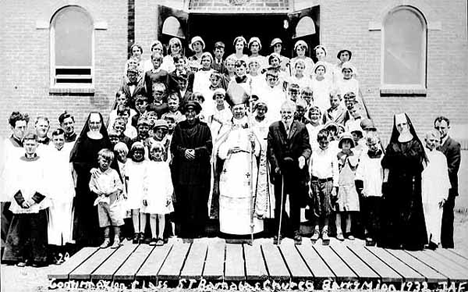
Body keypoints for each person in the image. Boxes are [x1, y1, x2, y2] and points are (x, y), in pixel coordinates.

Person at [215, 84, 264, 236]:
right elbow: (219, 148)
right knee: (231, 194)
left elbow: (259, 150)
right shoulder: (226, 126)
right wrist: (227, 150)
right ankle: (230, 229)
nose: (238, 111)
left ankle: (249, 229)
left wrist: (254, 143)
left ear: (245, 109)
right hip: (231, 165)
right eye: (236, 109)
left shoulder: (252, 126)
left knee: (247, 195)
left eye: (241, 108)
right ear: (231, 110)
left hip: (246, 164)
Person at [381, 113, 427, 250]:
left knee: (411, 210)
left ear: (409, 125)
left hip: (411, 182)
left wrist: (397, 157)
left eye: (404, 124)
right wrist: (399, 158)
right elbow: (386, 161)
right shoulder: (393, 143)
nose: (402, 127)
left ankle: (411, 242)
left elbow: (415, 160)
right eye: (399, 125)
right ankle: (395, 241)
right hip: (395, 183)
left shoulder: (416, 143)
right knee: (395, 210)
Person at [2, 133, 50, 267]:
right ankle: (21, 258)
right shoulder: (17, 162)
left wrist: (34, 200)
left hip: (36, 203)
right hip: (21, 203)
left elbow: (46, 182)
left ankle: (37, 258)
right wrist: (21, 200)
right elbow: (11, 182)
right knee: (21, 231)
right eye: (27, 144)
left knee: (36, 231)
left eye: (32, 145)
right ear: (24, 145)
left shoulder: (42, 162)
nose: (30, 147)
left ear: (37, 145)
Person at [268, 100, 311, 244]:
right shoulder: (274, 127)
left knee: (295, 202)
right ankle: (278, 231)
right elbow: (271, 150)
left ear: (294, 114)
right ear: (280, 113)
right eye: (284, 112)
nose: (286, 115)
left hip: (295, 171)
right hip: (280, 170)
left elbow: (307, 147)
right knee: (279, 202)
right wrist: (275, 166)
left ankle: (295, 231)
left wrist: (303, 158)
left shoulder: (301, 127)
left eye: (289, 113)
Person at [70, 112, 116, 247]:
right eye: (92, 123)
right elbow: (76, 161)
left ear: (101, 123)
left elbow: (112, 161)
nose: (95, 125)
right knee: (86, 210)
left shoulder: (105, 140)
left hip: (103, 181)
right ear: (88, 123)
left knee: (102, 209)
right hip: (86, 181)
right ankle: (85, 239)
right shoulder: (82, 140)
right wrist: (89, 168)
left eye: (97, 122)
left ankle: (102, 238)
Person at [170, 101, 212, 238]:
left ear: (197, 113)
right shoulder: (179, 128)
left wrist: (196, 152)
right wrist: (184, 152)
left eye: (192, 112)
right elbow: (174, 146)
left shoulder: (204, 128)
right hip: (183, 170)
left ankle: (199, 229)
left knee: (199, 199)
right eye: (187, 112)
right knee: (184, 199)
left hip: (199, 170)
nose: (190, 114)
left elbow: (208, 146)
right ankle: (185, 230)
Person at [46, 129, 75, 264]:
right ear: (52, 140)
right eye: (56, 139)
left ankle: (66, 249)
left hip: (67, 192)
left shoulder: (69, 151)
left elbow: (73, 172)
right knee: (54, 222)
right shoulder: (48, 153)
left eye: (61, 139)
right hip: (53, 193)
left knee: (66, 221)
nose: (58, 142)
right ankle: (56, 250)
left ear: (64, 139)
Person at [2, 112, 29, 249]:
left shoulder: (25, 145)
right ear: (12, 128)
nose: (22, 130)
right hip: (8, 188)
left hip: (21, 188)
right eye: (19, 127)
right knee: (6, 220)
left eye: (24, 127)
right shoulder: (7, 144)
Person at [434, 116, 461, 248]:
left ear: (448, 128)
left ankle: (448, 246)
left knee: (447, 217)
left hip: (448, 187)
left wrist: (436, 175)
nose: (440, 130)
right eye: (437, 128)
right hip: (434, 187)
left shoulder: (454, 145)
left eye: (443, 128)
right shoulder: (433, 144)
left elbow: (453, 168)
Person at [89, 149, 124, 249]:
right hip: (101, 201)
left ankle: (117, 239)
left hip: (112, 201)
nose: (106, 163)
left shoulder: (113, 172)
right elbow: (91, 186)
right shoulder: (95, 173)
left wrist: (112, 191)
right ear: (98, 160)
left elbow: (119, 186)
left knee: (115, 219)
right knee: (104, 221)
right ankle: (106, 239)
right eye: (103, 161)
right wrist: (97, 192)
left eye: (108, 161)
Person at [309, 129, 339, 244]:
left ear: (329, 141)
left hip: (327, 182)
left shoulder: (331, 154)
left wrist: (335, 187)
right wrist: (309, 186)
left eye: (326, 142)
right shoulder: (315, 153)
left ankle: (325, 230)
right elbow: (310, 170)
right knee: (316, 205)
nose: (324, 144)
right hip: (316, 181)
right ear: (318, 141)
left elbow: (335, 170)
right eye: (322, 142)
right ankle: (316, 230)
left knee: (327, 206)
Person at [422, 130, 451, 249]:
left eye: (435, 141)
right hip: (424, 189)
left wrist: (444, 195)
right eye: (431, 140)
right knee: (425, 214)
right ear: (425, 141)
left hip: (436, 190)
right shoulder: (422, 155)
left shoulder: (441, 157)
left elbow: (444, 176)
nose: (433, 143)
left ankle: (434, 240)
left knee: (436, 215)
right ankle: (425, 238)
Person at [355, 131, 384, 246]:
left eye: (375, 144)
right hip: (368, 189)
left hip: (379, 189)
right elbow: (359, 173)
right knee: (368, 214)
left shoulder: (383, 157)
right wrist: (361, 188)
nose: (373, 147)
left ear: (378, 142)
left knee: (379, 213)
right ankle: (369, 234)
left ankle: (378, 235)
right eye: (370, 145)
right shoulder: (364, 157)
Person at [142, 142, 173, 246]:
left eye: (159, 151)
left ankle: (160, 236)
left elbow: (168, 181)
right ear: (151, 153)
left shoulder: (165, 166)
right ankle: (153, 236)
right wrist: (145, 195)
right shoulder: (148, 165)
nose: (157, 153)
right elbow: (145, 181)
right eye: (155, 151)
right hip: (151, 192)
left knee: (161, 215)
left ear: (162, 153)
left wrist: (169, 195)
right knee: (152, 215)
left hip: (162, 193)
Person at [335, 133, 360, 241]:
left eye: (348, 142)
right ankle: (338, 230)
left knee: (349, 209)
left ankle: (348, 230)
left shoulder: (355, 155)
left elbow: (356, 169)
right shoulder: (338, 155)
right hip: (340, 184)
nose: (346, 144)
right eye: (344, 142)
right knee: (339, 209)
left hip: (351, 185)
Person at [125, 142, 147, 244]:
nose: (137, 155)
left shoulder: (146, 163)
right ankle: (136, 232)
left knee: (143, 210)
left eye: (140, 153)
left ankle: (142, 232)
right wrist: (127, 191)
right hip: (133, 189)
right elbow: (127, 178)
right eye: (135, 152)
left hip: (143, 189)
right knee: (135, 211)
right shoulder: (129, 163)